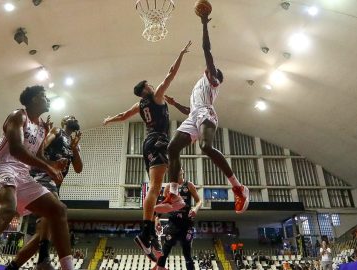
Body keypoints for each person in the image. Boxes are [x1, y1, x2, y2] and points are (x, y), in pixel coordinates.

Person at [0, 85, 73, 270]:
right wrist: (48, 169)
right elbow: (16, 149)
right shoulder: (18, 115)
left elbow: (39, 155)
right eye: (44, 96)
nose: (48, 99)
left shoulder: (43, 127)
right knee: (7, 210)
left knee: (58, 209)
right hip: (2, 167)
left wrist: (53, 164)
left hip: (23, 174)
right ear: (34, 99)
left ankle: (68, 267)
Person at [103, 41, 192, 261]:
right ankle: (147, 229)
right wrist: (180, 54)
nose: (153, 85)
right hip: (159, 140)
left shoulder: (140, 105)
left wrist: (109, 119)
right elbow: (170, 75)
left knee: (172, 171)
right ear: (146, 89)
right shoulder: (155, 97)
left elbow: (124, 115)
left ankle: (168, 202)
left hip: (149, 143)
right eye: (149, 85)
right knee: (158, 183)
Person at [157, 14, 249, 215]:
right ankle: (173, 195)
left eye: (212, 69)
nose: (208, 69)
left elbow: (207, 50)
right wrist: (174, 103)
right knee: (172, 147)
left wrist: (204, 23)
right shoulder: (198, 85)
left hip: (207, 114)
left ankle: (238, 187)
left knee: (205, 146)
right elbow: (190, 111)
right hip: (195, 116)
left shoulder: (213, 81)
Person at [6, 115, 83, 270]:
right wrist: (45, 134)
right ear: (64, 122)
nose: (74, 118)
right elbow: (39, 149)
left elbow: (78, 169)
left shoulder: (75, 144)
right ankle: (44, 259)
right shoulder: (57, 131)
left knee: (41, 235)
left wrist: (74, 149)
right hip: (42, 175)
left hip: (55, 183)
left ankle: (14, 266)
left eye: (75, 117)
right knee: (56, 209)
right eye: (70, 116)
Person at [154, 169, 202, 270]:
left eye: (178, 169)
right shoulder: (168, 187)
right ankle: (160, 268)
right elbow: (163, 204)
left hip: (187, 223)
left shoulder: (189, 185)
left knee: (187, 252)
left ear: (182, 172)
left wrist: (195, 209)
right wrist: (157, 218)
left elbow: (199, 201)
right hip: (173, 222)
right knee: (166, 249)